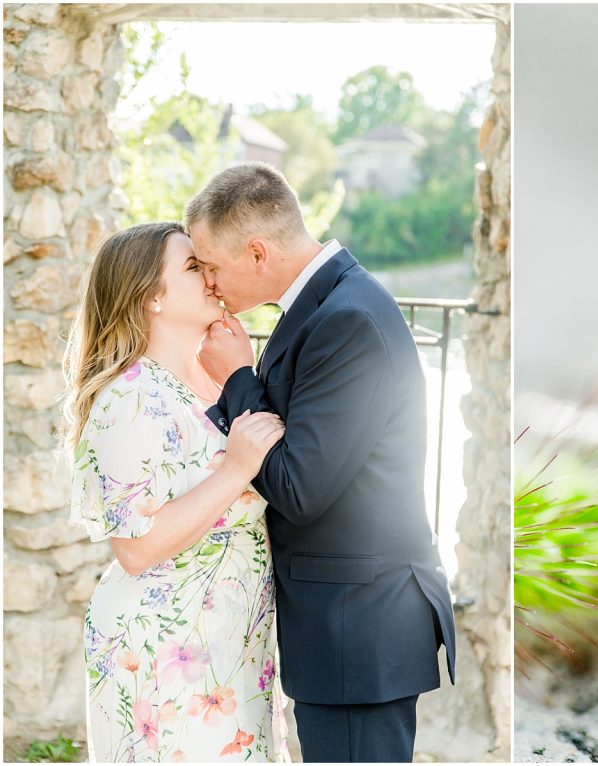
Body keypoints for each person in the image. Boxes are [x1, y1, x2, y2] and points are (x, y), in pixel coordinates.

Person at [185, 162, 456, 763]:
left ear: (257, 252)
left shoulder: (347, 320)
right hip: (344, 623)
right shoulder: (326, 304)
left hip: (358, 626)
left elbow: (301, 486)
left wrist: (235, 378)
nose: (207, 282)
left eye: (210, 264)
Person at [63, 222, 287, 762]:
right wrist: (234, 471)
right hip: (162, 650)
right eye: (193, 266)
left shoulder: (213, 381)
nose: (211, 276)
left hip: (232, 646)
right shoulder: (130, 398)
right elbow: (135, 549)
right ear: (151, 297)